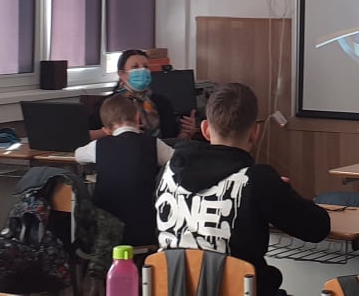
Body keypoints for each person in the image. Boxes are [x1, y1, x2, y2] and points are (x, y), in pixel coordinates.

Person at [155, 82, 330, 296]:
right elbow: (317, 228)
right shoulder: (256, 180)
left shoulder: (168, 173)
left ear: (206, 130)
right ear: (255, 132)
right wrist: (283, 192)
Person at [75, 94, 174, 246]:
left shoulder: (98, 146)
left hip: (107, 229)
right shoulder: (154, 144)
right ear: (138, 117)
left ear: (106, 129)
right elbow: (177, 159)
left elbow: (78, 155)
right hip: (145, 225)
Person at [88, 49, 197, 141]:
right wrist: (115, 130)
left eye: (146, 66)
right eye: (135, 67)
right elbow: (87, 137)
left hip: (159, 156)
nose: (142, 70)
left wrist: (186, 134)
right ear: (122, 74)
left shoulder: (161, 102)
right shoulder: (109, 104)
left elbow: (172, 142)